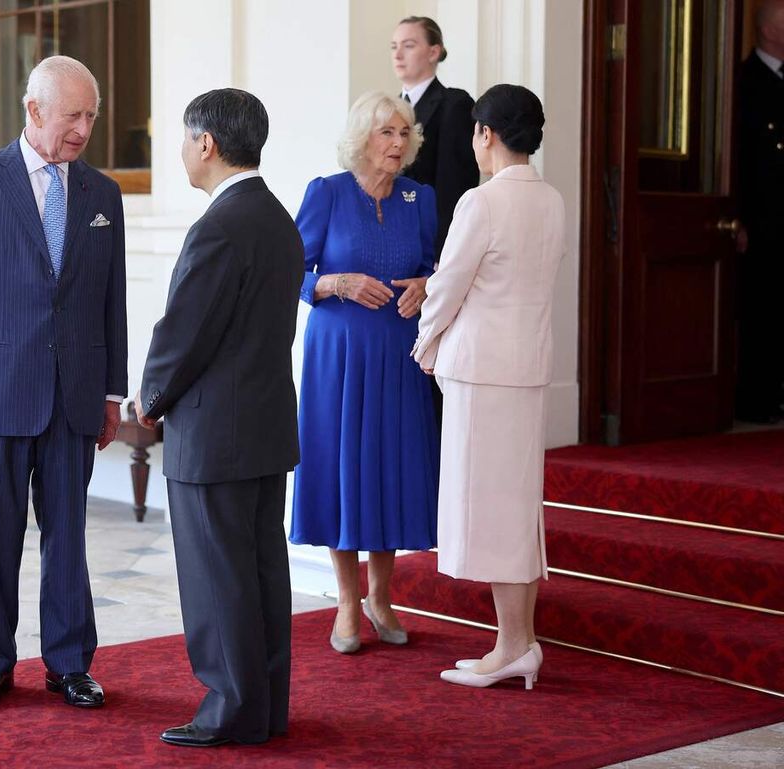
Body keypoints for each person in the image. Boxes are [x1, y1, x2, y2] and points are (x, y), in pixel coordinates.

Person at [0, 55, 127, 710]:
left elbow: (111, 300)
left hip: (75, 393)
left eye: (91, 116)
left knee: (68, 535)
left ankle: (71, 663)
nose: (83, 129)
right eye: (73, 115)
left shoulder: (103, 195)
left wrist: (111, 391)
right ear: (34, 110)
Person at [135, 88, 304, 748]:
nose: (181, 149)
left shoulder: (220, 226)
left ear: (207, 143)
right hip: (263, 427)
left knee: (219, 579)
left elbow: (185, 333)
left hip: (213, 435)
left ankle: (230, 709)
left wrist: (147, 399)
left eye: (184, 137)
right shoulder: (277, 219)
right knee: (260, 573)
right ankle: (263, 705)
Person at [413, 84, 564, 690]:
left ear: (486, 134)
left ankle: (513, 645)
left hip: (481, 372)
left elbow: (446, 287)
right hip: (526, 368)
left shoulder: (482, 202)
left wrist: (425, 345)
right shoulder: (552, 200)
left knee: (499, 512)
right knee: (519, 508)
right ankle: (519, 643)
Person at [290, 92, 439, 656]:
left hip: (400, 352)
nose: (397, 144)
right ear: (362, 138)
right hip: (340, 353)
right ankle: (348, 603)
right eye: (386, 133)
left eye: (404, 133)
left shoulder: (418, 198)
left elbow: (431, 266)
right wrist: (337, 283)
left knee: (388, 467)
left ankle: (382, 597)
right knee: (343, 469)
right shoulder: (326, 193)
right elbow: (292, 271)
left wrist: (426, 285)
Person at [392, 15, 479, 421]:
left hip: (432, 251)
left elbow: (454, 189)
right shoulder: (390, 109)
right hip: (393, 249)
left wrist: (440, 264)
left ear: (434, 51)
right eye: (394, 45)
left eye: (408, 44)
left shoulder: (454, 104)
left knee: (431, 367)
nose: (398, 53)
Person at [735, 0, 784, 424]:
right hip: (762, 220)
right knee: (761, 313)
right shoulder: (743, 81)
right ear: (769, 29)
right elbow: (733, 159)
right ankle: (758, 400)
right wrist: (738, 218)